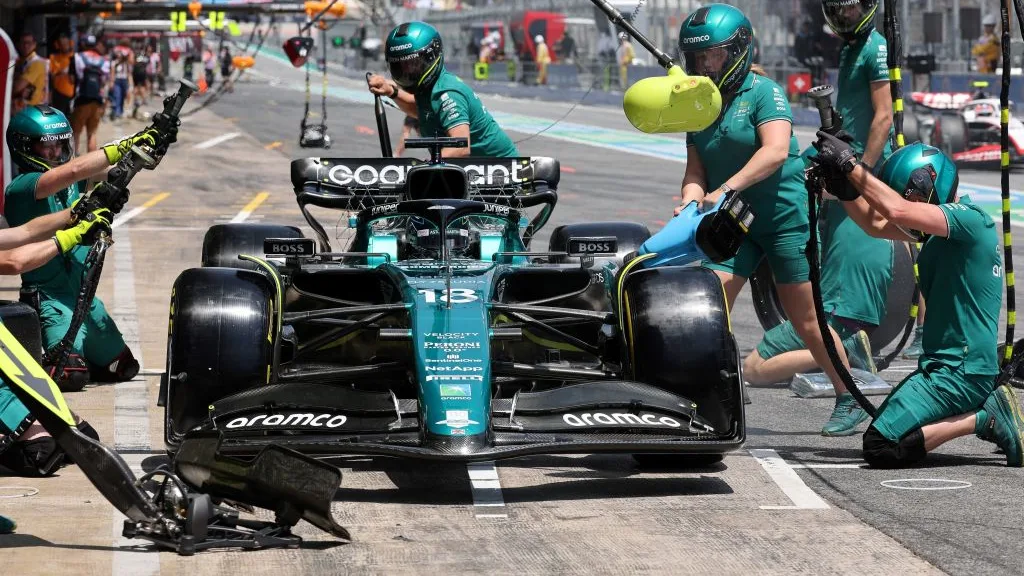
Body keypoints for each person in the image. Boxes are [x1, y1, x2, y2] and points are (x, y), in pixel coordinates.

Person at [676, 4, 865, 435]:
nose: (705, 65)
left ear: (738, 51)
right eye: (698, 57)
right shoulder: (697, 104)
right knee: (706, 307)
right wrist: (689, 201)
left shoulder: (765, 92)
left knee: (806, 321)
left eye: (713, 55)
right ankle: (703, 394)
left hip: (783, 218)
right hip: (734, 222)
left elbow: (776, 151)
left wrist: (726, 188)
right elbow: (695, 171)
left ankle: (848, 394)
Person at [812, 133, 1024, 468]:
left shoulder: (970, 220)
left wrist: (850, 164)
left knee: (881, 446)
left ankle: (985, 418)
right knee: (889, 430)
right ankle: (983, 410)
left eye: (908, 193)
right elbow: (875, 223)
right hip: (944, 367)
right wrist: (843, 187)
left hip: (961, 371)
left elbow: (896, 209)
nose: (903, 201)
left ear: (927, 185)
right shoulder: (939, 232)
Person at [746, 0, 898, 388]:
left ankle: (838, 344)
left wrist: (860, 172)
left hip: (857, 163)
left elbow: (884, 116)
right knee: (794, 178)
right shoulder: (850, 49)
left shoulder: (876, 47)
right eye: (838, 11)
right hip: (843, 156)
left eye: (850, 9)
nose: (845, 17)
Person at [5, 105, 165, 390]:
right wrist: (124, 144)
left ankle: (80, 353)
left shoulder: (70, 183)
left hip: (84, 298)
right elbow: (74, 170)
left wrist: (151, 146)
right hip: (52, 299)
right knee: (71, 375)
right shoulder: (24, 186)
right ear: (25, 148)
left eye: (59, 145)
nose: (55, 152)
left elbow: (110, 173)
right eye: (46, 146)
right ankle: (47, 352)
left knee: (124, 368)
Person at [367, 21, 519, 159]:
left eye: (413, 64)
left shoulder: (448, 93)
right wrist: (391, 91)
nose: (407, 72)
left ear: (431, 56)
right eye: (400, 66)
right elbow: (420, 110)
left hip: (501, 170)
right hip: (472, 169)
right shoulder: (430, 88)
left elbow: (460, 147)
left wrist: (425, 168)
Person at [71, 35, 110, 154]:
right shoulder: (104, 61)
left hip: (82, 99)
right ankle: (91, 160)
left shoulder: (77, 57)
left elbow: (71, 79)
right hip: (97, 101)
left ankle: (75, 159)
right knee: (92, 133)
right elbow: (104, 82)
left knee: (76, 132)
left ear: (83, 44)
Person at [13, 32, 49, 114]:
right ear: (18, 45)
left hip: (33, 110)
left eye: (28, 43)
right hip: (23, 108)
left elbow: (17, 87)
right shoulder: (20, 62)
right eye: (23, 43)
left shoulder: (36, 62)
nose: (25, 46)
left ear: (34, 45)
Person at [48, 33, 76, 118]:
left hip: (73, 95)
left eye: (66, 44)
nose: (64, 46)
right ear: (57, 45)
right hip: (59, 94)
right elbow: (51, 75)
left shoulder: (75, 57)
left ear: (70, 43)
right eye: (62, 44)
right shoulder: (53, 58)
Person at [109, 42, 132, 120]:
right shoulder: (114, 63)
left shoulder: (126, 63)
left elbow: (129, 74)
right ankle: (117, 112)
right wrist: (111, 82)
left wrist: (130, 83)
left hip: (124, 80)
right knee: (117, 95)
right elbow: (112, 73)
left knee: (123, 96)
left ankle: (121, 111)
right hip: (117, 80)